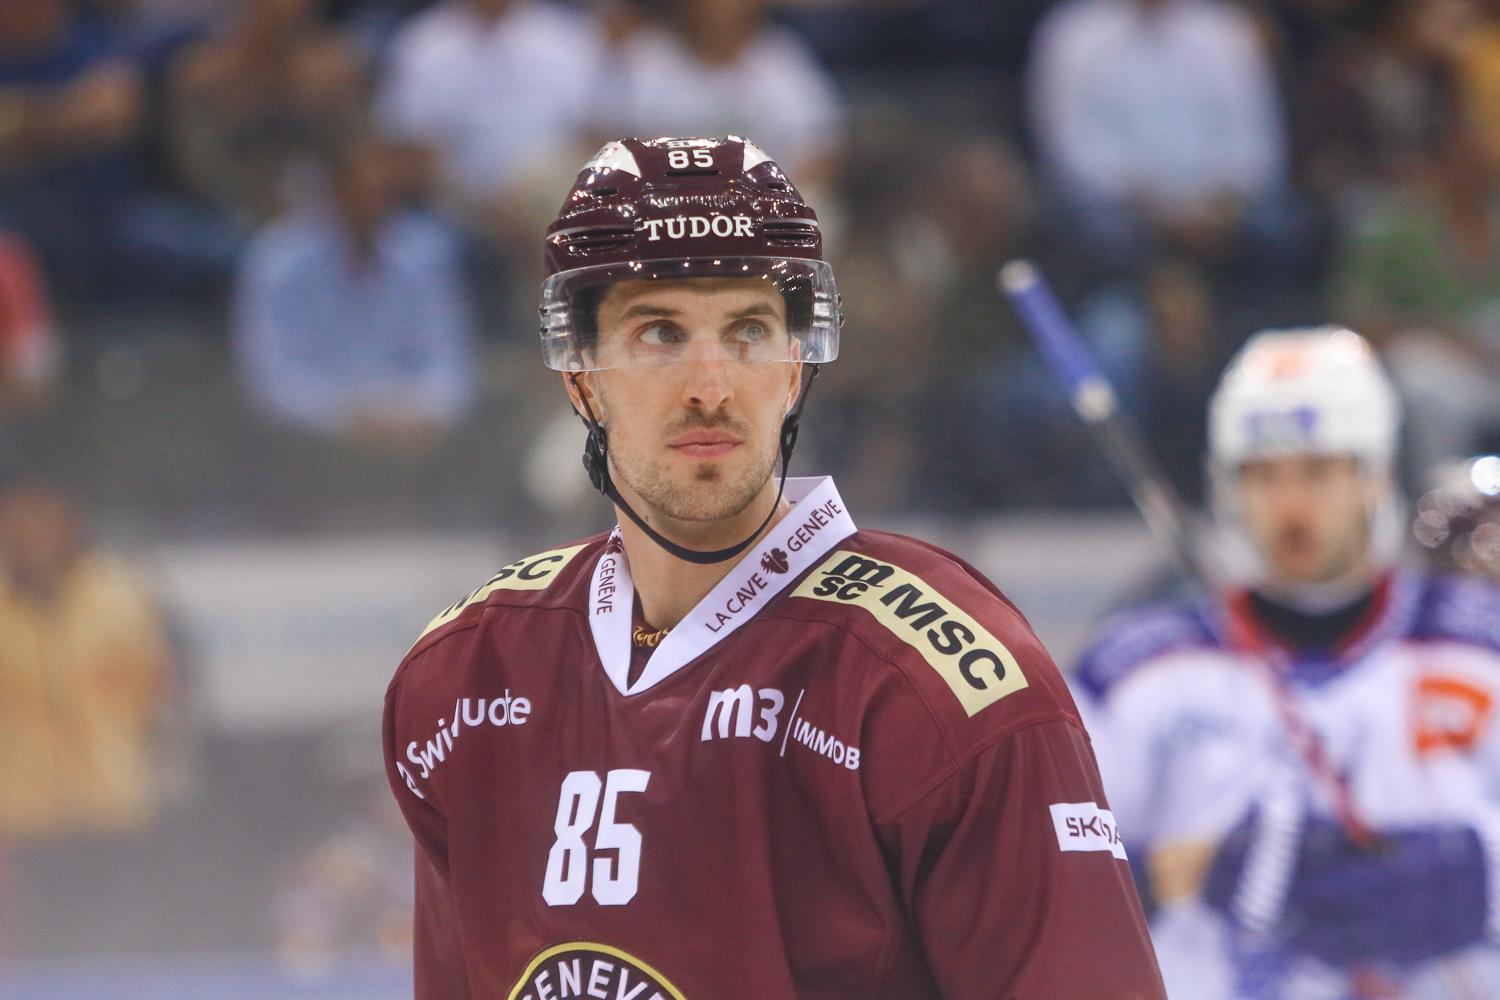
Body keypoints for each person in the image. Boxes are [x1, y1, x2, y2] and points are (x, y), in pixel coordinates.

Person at [382, 135, 1166, 998]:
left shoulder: (938, 683)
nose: (711, 386)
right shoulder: (466, 675)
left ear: (794, 367)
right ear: (581, 377)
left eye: (749, 332)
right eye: (659, 333)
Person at [1076, 328, 1500, 998]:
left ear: (1373, 477)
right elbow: (1039, 874)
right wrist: (1180, 873)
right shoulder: (1134, 670)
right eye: (1263, 476)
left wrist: (1481, 874)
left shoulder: (1479, 645)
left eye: (1318, 471)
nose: (1290, 503)